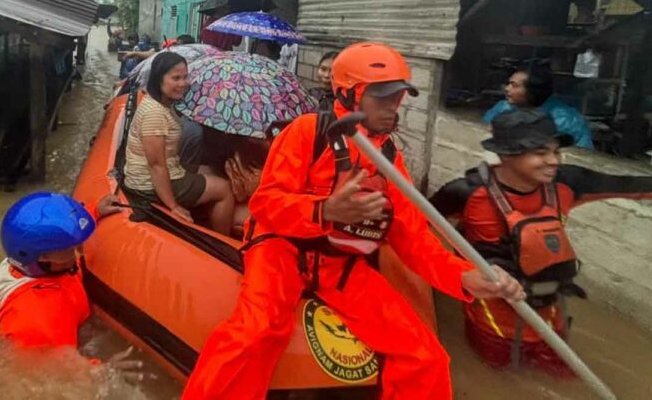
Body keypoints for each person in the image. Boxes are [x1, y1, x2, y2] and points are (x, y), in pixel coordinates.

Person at [181, 42, 525, 400]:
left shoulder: (390, 159)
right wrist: (324, 210)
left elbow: (413, 239)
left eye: (399, 96)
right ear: (348, 91)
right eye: (382, 96)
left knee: (424, 353)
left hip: (337, 261)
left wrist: (465, 278)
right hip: (279, 248)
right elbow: (267, 204)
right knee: (255, 331)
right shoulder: (306, 132)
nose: (394, 106)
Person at [430, 108, 652, 376]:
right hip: (493, 316)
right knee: (495, 374)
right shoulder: (465, 193)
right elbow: (420, 228)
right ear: (506, 154)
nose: (553, 161)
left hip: (551, 313)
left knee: (563, 373)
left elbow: (634, 186)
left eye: (556, 151)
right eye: (541, 153)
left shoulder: (568, 183)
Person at [0, 192, 122, 348]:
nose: (78, 249)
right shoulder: (38, 316)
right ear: (42, 257)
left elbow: (60, 231)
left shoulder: (36, 258)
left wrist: (94, 211)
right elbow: (60, 365)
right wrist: (104, 371)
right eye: (70, 247)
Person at [122, 52, 235, 235]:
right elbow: (156, 165)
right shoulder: (154, 114)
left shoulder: (164, 103)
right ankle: (223, 241)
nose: (183, 83)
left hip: (170, 168)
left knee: (212, 169)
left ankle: (207, 211)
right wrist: (173, 206)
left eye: (184, 77)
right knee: (225, 188)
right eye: (176, 78)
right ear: (159, 79)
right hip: (147, 184)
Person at [483, 65, 594, 149]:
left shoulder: (568, 120)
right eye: (508, 84)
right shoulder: (502, 107)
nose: (507, 89)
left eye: (514, 85)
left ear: (532, 91)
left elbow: (584, 156)